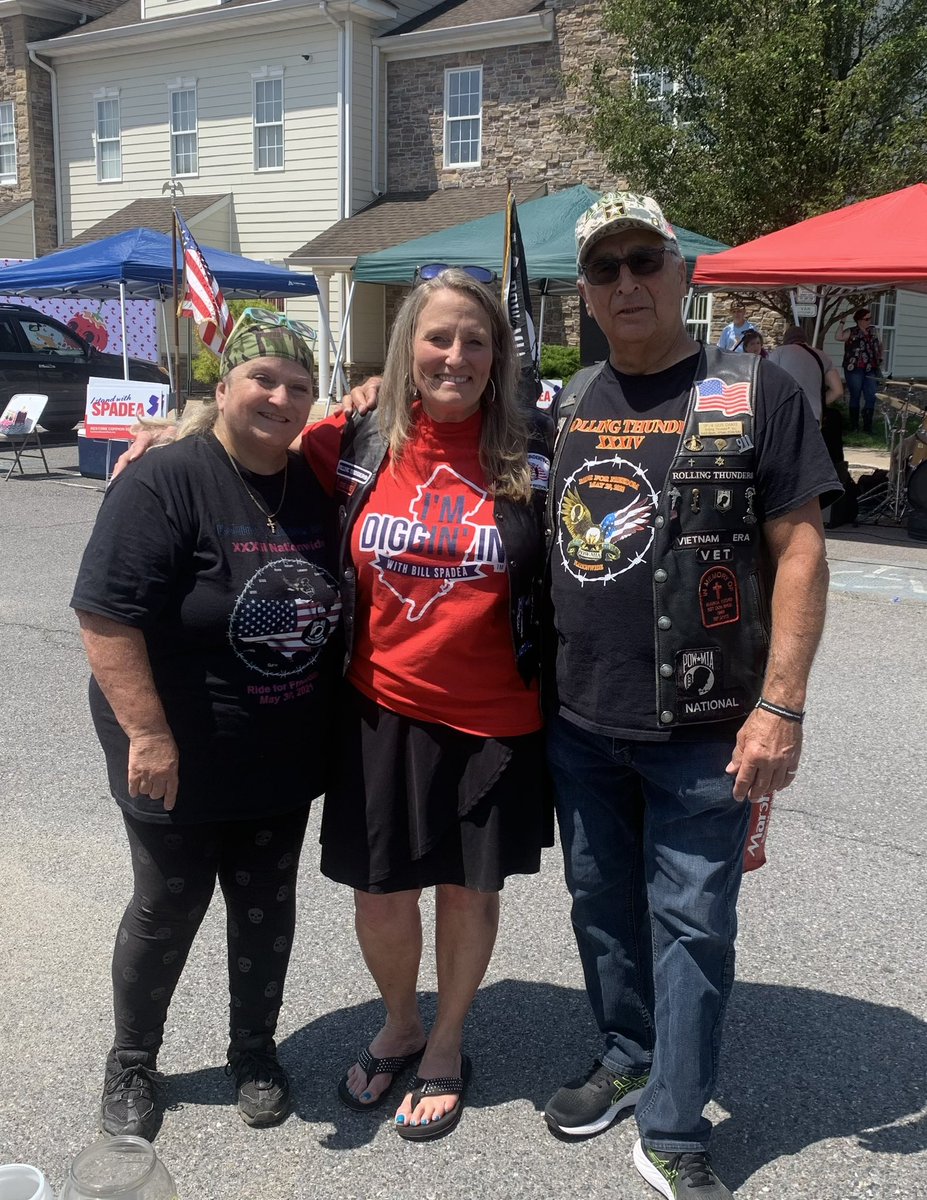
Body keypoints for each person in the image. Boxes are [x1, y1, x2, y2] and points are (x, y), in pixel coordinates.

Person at [344, 193, 840, 1195]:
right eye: (605, 268)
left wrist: (781, 703)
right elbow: (427, 409)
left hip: (707, 726)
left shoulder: (755, 389)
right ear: (586, 291)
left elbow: (801, 549)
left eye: (644, 261)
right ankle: (626, 1051)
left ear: (683, 271)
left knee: (694, 923)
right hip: (577, 720)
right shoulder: (563, 407)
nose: (626, 283)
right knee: (602, 909)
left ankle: (675, 1126)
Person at [70, 314, 342, 1141]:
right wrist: (148, 737)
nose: (280, 397)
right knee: (169, 902)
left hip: (278, 746)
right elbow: (104, 615)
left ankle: (254, 1052)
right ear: (220, 389)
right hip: (174, 745)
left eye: (298, 386)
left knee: (266, 902)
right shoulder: (165, 479)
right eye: (262, 378)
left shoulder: (315, 486)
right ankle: (132, 1060)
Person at [301, 268, 553, 1141]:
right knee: (379, 895)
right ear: (408, 344)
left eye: (474, 340)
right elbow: (243, 441)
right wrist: (165, 432)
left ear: (498, 355)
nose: (455, 355)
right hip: (379, 711)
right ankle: (399, 1019)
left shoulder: (533, 450)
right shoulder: (356, 441)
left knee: (465, 891)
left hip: (496, 717)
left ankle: (445, 1042)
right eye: (438, 337)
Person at [767, 325, 844, 424]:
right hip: (813, 414)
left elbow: (768, 385)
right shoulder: (822, 356)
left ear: (786, 340)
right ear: (805, 339)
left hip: (786, 414)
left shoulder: (778, 353)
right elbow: (838, 390)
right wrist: (819, 403)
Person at [835, 307, 884, 432]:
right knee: (855, 395)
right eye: (866, 319)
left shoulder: (873, 331)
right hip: (854, 369)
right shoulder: (852, 331)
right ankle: (854, 426)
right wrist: (842, 322)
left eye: (870, 318)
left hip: (871, 368)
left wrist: (880, 357)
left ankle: (867, 426)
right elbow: (838, 337)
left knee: (871, 396)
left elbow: (880, 345)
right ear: (859, 320)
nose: (869, 321)